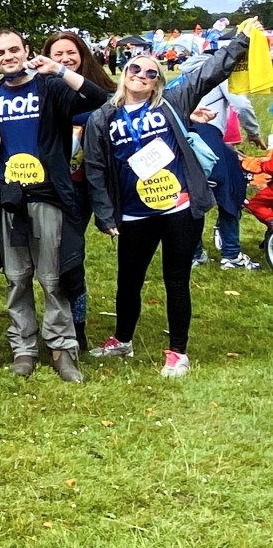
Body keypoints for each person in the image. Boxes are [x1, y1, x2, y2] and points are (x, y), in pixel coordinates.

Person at [84, 23, 257, 378]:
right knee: (128, 280)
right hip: (133, 213)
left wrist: (241, 41)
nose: (142, 75)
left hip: (179, 208)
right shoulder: (104, 117)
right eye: (136, 69)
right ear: (124, 73)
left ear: (158, 82)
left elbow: (210, 73)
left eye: (151, 73)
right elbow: (95, 169)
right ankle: (123, 339)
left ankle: (178, 351)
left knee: (175, 279)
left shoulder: (172, 103)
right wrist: (106, 216)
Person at [0, 29, 106, 382]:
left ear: (26, 51)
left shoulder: (49, 88)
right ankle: (24, 346)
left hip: (48, 194)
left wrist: (58, 69)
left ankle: (61, 347)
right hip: (10, 200)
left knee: (53, 277)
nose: (7, 57)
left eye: (13, 50)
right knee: (17, 277)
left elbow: (98, 97)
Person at [41, 32, 117, 350]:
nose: (64, 58)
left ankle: (78, 327)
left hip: (86, 188)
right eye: (57, 54)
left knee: (71, 259)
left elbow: (111, 104)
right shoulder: (44, 91)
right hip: (52, 187)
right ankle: (60, 322)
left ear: (82, 54)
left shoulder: (103, 91)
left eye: (70, 53)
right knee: (54, 260)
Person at [176, 48, 266, 270]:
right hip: (208, 137)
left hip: (183, 139)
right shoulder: (220, 76)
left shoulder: (185, 77)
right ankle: (231, 254)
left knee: (190, 197)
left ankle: (195, 254)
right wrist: (254, 134)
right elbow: (242, 105)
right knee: (231, 190)